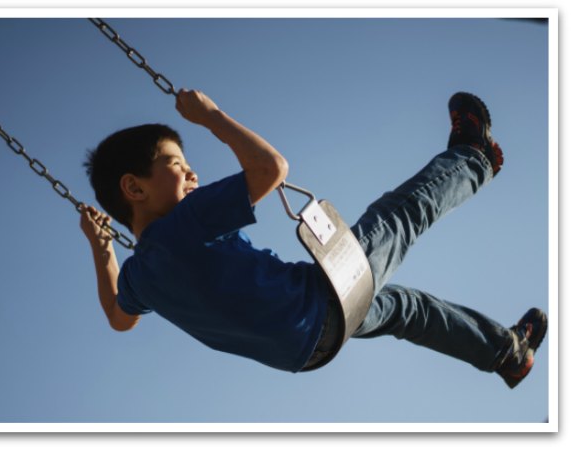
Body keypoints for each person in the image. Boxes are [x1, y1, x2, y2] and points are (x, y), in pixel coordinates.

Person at [80, 90, 546, 388]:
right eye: (176, 163)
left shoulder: (139, 275)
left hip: (305, 349)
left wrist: (103, 251)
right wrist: (211, 117)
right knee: (397, 217)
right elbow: (270, 169)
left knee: (408, 309)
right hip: (317, 304)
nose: (191, 171)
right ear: (134, 188)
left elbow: (119, 318)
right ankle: (474, 158)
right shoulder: (184, 224)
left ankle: (506, 352)